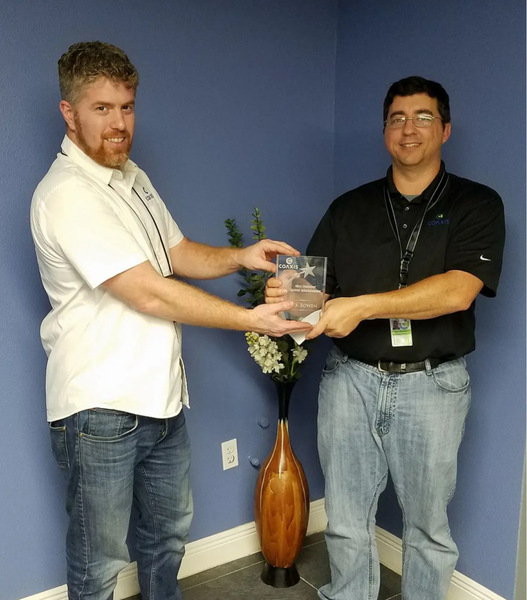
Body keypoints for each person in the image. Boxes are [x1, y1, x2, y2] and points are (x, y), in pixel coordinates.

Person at [30, 41, 310, 600]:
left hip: (162, 402)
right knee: (98, 565)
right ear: (69, 113)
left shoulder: (132, 177)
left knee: (166, 542)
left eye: (127, 107)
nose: (119, 123)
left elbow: (176, 253)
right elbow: (149, 293)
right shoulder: (66, 194)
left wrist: (241, 256)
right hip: (100, 412)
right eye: (102, 108)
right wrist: (252, 319)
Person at [267, 76, 505, 600]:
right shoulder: (347, 208)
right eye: (397, 118)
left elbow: (459, 291)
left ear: (445, 129)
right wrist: (285, 295)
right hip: (349, 381)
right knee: (346, 520)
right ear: (385, 132)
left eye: (422, 117)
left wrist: (363, 306)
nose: (408, 129)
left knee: (427, 530)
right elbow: (310, 293)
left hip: (432, 385)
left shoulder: (478, 203)